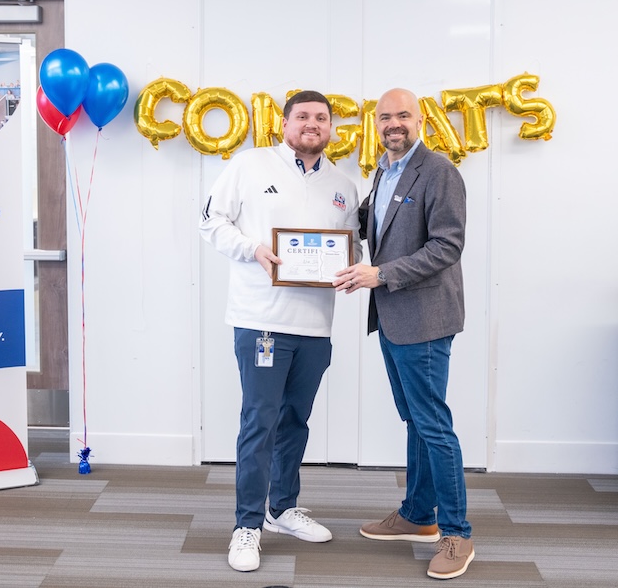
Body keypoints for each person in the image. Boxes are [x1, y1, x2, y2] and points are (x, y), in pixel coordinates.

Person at [200, 90, 362, 572]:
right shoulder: (249, 165)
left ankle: (281, 507)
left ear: (331, 127)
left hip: (315, 325)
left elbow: (349, 245)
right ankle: (246, 525)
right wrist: (253, 250)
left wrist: (351, 267)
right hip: (261, 320)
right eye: (303, 117)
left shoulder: (343, 185)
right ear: (285, 123)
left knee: (295, 420)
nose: (312, 124)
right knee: (260, 422)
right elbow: (211, 221)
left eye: (321, 118)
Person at [333, 88, 473, 580]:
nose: (394, 123)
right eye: (385, 116)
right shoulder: (384, 170)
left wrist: (381, 275)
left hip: (426, 318)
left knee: (434, 424)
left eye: (403, 115)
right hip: (393, 316)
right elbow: (375, 225)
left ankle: (456, 534)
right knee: (416, 419)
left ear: (421, 120)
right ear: (377, 123)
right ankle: (418, 515)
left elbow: (446, 246)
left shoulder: (438, 172)